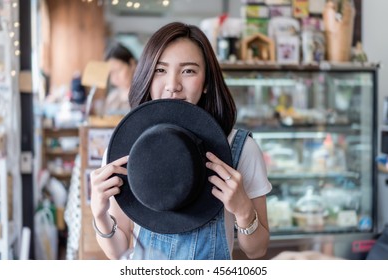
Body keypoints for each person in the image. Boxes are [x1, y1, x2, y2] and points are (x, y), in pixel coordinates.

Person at [90, 22, 272, 260]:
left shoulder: (239, 149)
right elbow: (121, 249)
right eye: (160, 70)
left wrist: (244, 211)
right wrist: (100, 215)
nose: (173, 86)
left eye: (188, 71)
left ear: (206, 82)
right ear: (146, 74)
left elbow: (257, 250)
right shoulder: (126, 148)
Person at [103, 42, 137, 116]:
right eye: (111, 72)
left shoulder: (143, 95)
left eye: (118, 70)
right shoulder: (112, 98)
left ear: (132, 64)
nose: (115, 76)